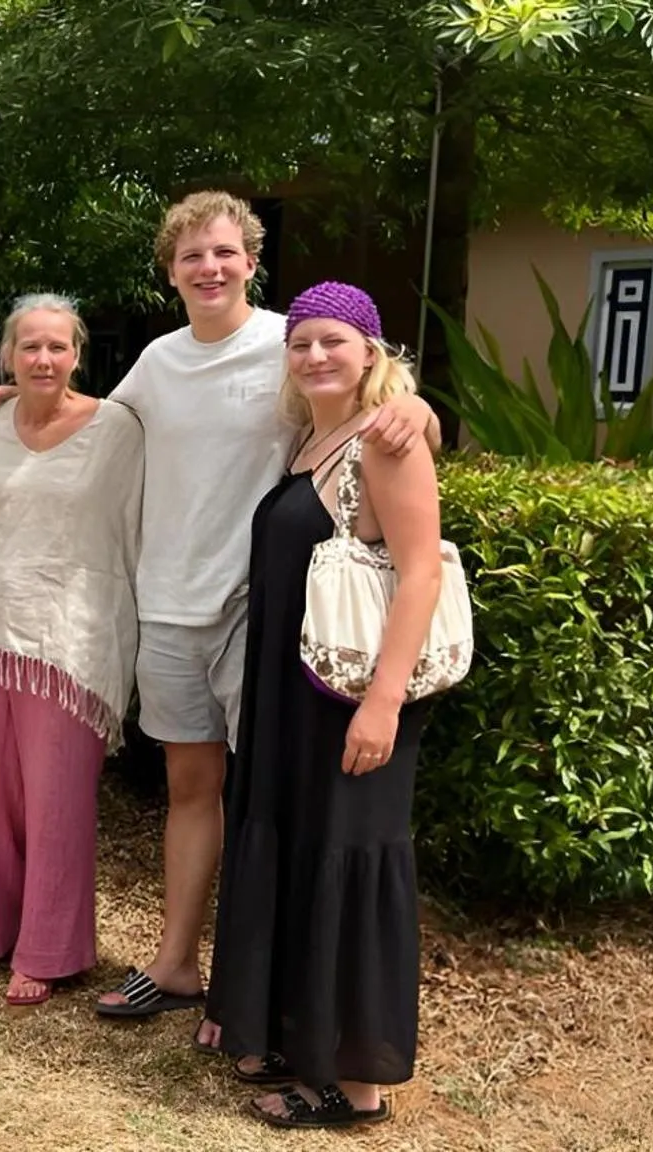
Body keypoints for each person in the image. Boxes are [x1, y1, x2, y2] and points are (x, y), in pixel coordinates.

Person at [0, 192, 436, 1022]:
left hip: (259, 610)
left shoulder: (289, 346)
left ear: (251, 261)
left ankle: (250, 986)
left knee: (263, 799)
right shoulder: (158, 361)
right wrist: (14, 395)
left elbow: (366, 409)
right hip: (166, 607)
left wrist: (415, 405)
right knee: (190, 790)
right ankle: (176, 964)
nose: (208, 268)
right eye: (191, 256)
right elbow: (90, 419)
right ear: (170, 271)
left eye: (223, 252)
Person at [207, 282, 440, 1130]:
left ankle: (353, 1087)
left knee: (345, 856)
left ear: (370, 352)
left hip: (350, 698)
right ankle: (292, 1037)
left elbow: (421, 572)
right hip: (291, 695)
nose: (313, 356)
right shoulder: (311, 440)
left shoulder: (387, 438)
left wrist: (382, 703)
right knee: (297, 850)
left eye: (333, 341)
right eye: (300, 342)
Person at [0, 295, 143, 1006]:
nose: (44, 358)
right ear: (7, 355)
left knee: (55, 799)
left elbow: (144, 522)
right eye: (29, 346)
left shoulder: (118, 428)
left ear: (77, 354)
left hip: (71, 636)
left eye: (57, 346)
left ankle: (49, 950)